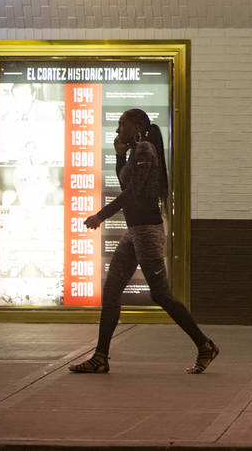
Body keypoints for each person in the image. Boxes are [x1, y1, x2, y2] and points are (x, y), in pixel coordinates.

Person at [68, 109, 218, 374]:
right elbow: (125, 180)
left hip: (146, 231)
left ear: (135, 125)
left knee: (161, 295)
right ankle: (100, 357)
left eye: (121, 125)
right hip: (133, 231)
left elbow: (132, 192)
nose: (117, 131)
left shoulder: (146, 150)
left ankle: (205, 345)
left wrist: (101, 216)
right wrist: (119, 155)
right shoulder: (136, 150)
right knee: (112, 291)